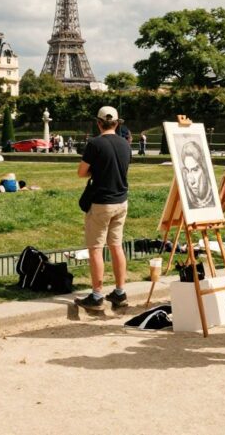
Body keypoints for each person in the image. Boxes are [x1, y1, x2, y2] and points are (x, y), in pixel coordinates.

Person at [74, 106, 131, 311]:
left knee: (96, 249)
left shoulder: (95, 144)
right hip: (121, 200)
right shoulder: (125, 144)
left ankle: (97, 295)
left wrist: (96, 171)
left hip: (101, 202)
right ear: (117, 123)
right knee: (116, 246)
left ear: (98, 123)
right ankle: (119, 292)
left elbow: (81, 172)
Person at [179, 139, 216, 209]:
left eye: (195, 170)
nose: (191, 181)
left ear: (204, 169)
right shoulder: (186, 197)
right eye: (187, 171)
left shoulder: (214, 196)